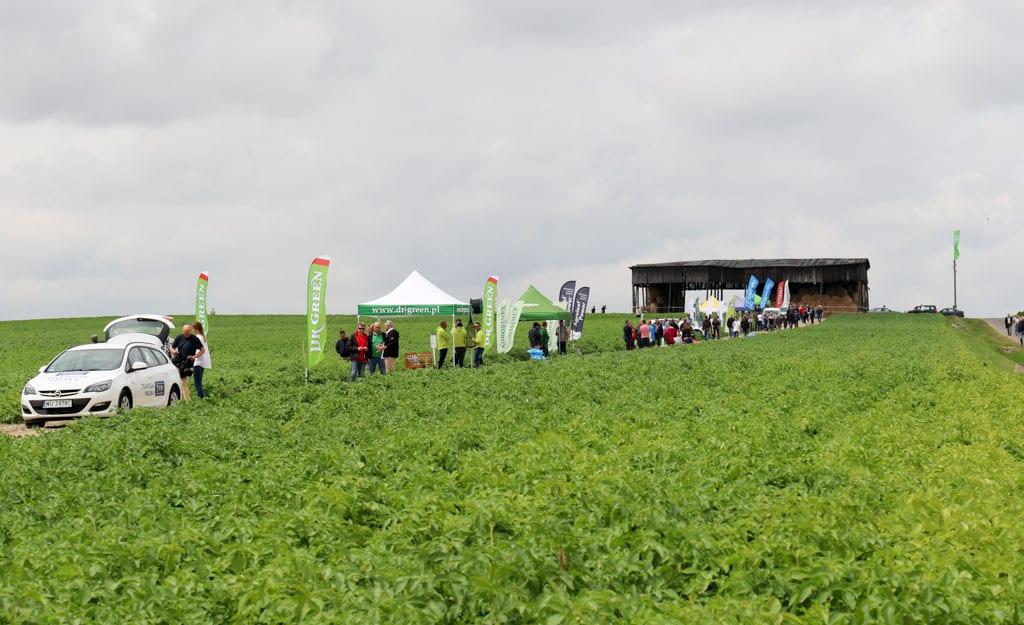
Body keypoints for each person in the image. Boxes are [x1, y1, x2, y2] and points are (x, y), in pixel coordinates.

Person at [169, 324, 201, 400]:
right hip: (177, 362)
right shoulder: (179, 337)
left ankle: (187, 400)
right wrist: (174, 352)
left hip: (187, 364)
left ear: (191, 331)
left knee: (183, 381)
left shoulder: (195, 339)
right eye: (184, 332)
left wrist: (194, 356)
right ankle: (181, 398)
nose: (186, 334)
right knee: (177, 380)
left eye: (187, 332)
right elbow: (171, 347)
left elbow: (202, 350)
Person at [191, 321, 212, 399]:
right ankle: (202, 398)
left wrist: (194, 356)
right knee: (199, 382)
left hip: (198, 362)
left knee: (197, 383)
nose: (192, 330)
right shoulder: (202, 337)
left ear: (196, 328)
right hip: (201, 363)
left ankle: (201, 398)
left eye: (193, 328)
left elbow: (202, 351)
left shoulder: (198, 337)